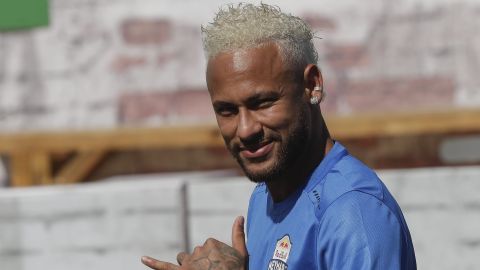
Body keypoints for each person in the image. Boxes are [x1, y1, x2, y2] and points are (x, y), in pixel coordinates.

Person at [141, 3, 417, 270]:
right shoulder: (264, 196)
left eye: (262, 103)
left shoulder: (353, 212)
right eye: (227, 111)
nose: (246, 129)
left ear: (311, 86)